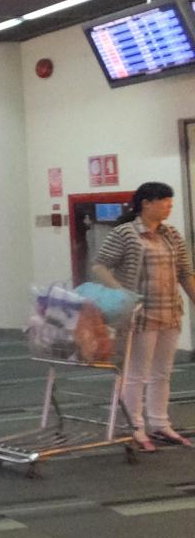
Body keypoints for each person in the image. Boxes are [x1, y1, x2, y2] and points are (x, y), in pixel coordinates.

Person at [93, 181, 195, 452]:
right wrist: (123, 293)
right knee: (137, 372)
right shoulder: (126, 233)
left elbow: (185, 272)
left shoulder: (171, 234)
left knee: (162, 372)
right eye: (164, 202)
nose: (169, 207)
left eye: (171, 202)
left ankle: (159, 422)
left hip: (169, 312)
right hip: (140, 314)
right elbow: (100, 265)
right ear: (146, 203)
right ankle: (134, 426)